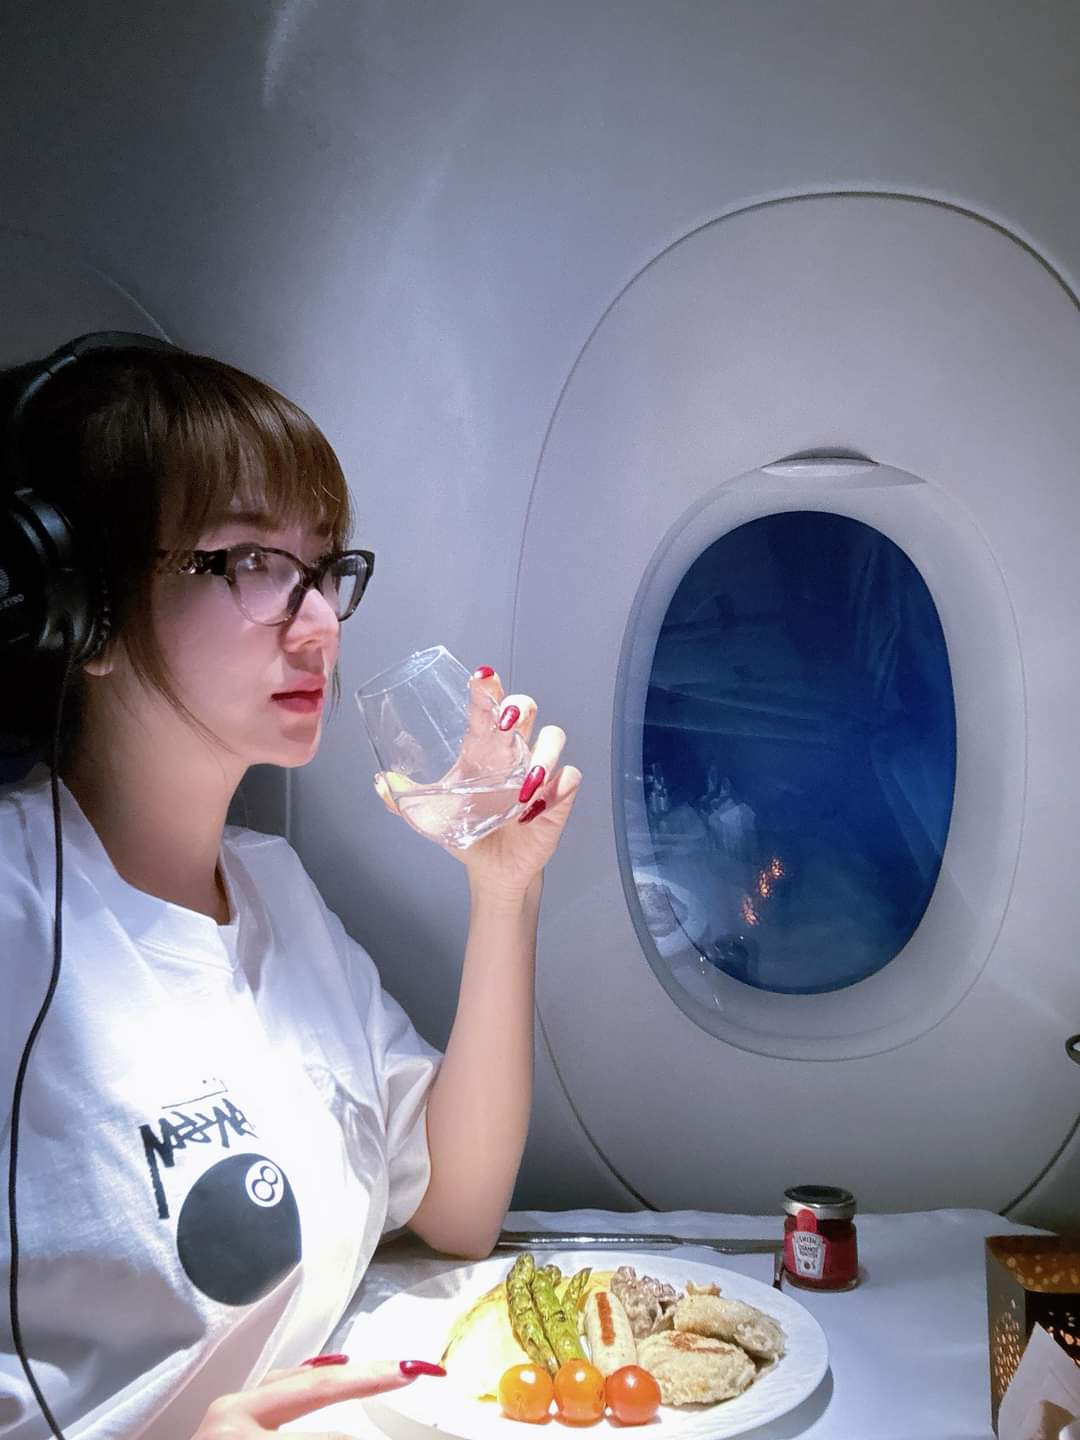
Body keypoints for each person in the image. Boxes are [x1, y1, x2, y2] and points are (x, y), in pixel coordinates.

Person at [0, 341, 581, 1438]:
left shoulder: (275, 890)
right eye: (253, 563)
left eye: (322, 566)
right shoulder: (14, 918)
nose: (322, 623)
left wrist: (504, 890)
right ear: (90, 612)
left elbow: (457, 1207)